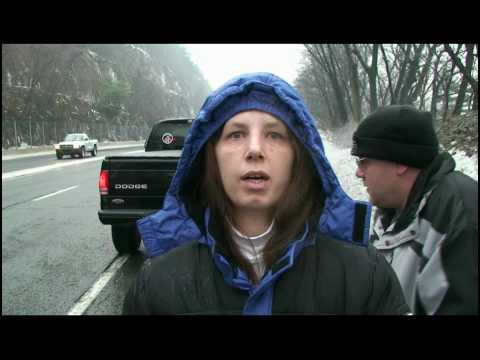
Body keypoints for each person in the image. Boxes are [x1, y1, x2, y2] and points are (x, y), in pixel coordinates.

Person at [123, 72, 409, 315]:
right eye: (236, 134)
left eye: (274, 135)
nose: (255, 149)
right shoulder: (157, 285)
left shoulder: (364, 278)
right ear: (212, 157)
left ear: (299, 157)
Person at [351, 105, 478, 315]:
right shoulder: (391, 211)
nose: (358, 173)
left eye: (365, 161)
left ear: (400, 162)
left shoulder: (459, 219)